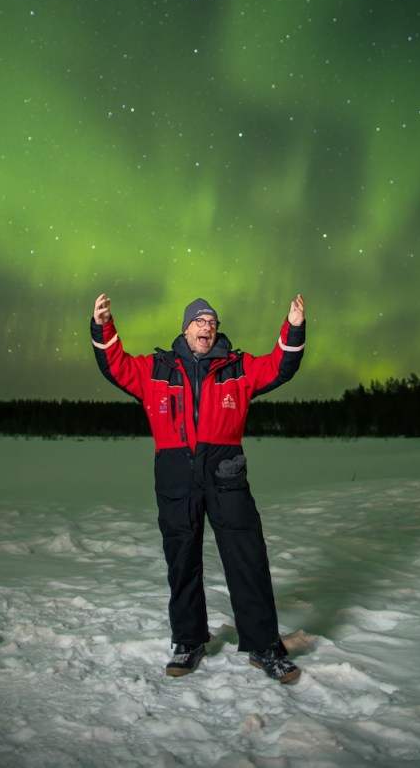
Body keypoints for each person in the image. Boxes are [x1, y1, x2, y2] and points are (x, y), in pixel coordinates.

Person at [90, 291, 306, 684]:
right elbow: (115, 366)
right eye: (199, 322)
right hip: (175, 472)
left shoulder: (237, 368)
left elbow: (280, 367)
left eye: (212, 323)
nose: (206, 328)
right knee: (182, 561)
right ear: (185, 328)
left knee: (247, 560)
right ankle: (188, 640)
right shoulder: (155, 368)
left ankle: (264, 647)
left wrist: (292, 328)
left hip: (225, 471)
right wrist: (103, 326)